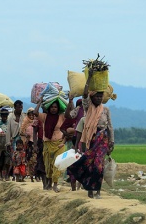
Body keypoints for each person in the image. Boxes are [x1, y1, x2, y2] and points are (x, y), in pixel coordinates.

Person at [67, 70, 115, 199]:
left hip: (103, 138)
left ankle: (97, 190)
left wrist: (112, 141)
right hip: (91, 138)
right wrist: (89, 79)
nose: (99, 98)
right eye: (96, 97)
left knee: (99, 165)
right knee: (89, 164)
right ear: (92, 98)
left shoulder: (106, 110)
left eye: (100, 97)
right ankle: (89, 189)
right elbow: (84, 95)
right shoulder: (88, 108)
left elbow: (110, 126)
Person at [34, 99, 66, 192]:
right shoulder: (45, 116)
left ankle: (55, 184)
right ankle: (49, 182)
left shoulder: (61, 117)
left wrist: (70, 100)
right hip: (48, 144)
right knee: (48, 165)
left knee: (57, 163)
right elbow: (35, 112)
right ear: (49, 108)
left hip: (59, 144)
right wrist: (39, 101)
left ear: (58, 108)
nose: (53, 109)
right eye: (52, 107)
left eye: (55, 107)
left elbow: (70, 112)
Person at [6, 100, 26, 181]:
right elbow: (8, 131)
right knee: (14, 158)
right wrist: (7, 143)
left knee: (22, 158)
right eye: (19, 107)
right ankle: (14, 175)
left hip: (22, 139)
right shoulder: (10, 117)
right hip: (14, 139)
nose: (20, 109)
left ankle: (21, 175)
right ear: (15, 107)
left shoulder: (23, 116)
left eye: (21, 107)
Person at [20, 107, 37, 182]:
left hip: (35, 143)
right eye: (30, 115)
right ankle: (30, 176)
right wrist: (26, 136)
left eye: (32, 115)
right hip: (28, 144)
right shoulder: (25, 122)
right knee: (29, 160)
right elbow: (21, 132)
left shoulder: (36, 122)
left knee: (35, 160)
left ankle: (36, 176)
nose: (31, 116)